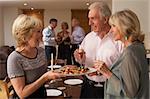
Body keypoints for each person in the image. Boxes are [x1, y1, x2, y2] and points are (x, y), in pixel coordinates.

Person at [94, 9, 149, 99]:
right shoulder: (138, 47)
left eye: (113, 26)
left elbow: (129, 93)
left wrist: (107, 72)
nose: (111, 31)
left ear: (124, 27)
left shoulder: (130, 53)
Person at [74, 1, 123, 99]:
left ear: (105, 19)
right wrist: (79, 58)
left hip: (109, 89)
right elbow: (82, 59)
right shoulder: (88, 37)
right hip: (88, 87)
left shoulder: (118, 40)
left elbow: (124, 70)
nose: (89, 23)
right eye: (89, 19)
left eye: (93, 19)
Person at [7, 14, 62, 98]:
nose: (41, 35)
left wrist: (56, 73)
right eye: (38, 32)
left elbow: (43, 76)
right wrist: (45, 77)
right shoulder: (14, 58)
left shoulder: (41, 51)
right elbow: (22, 94)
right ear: (25, 34)